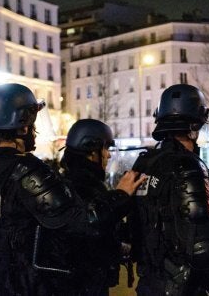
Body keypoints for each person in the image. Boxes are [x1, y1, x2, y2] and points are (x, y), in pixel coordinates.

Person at [0, 83, 145, 295]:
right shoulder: (26, 171)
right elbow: (84, 223)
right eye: (33, 122)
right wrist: (121, 195)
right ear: (23, 126)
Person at [130, 84, 209, 295]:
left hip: (149, 282)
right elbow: (201, 246)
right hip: (182, 285)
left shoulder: (144, 163)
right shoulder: (189, 166)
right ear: (194, 126)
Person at [59, 119, 135, 295]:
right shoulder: (82, 186)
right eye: (105, 148)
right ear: (92, 152)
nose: (108, 155)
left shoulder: (71, 181)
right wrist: (121, 195)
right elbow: (92, 225)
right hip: (84, 281)